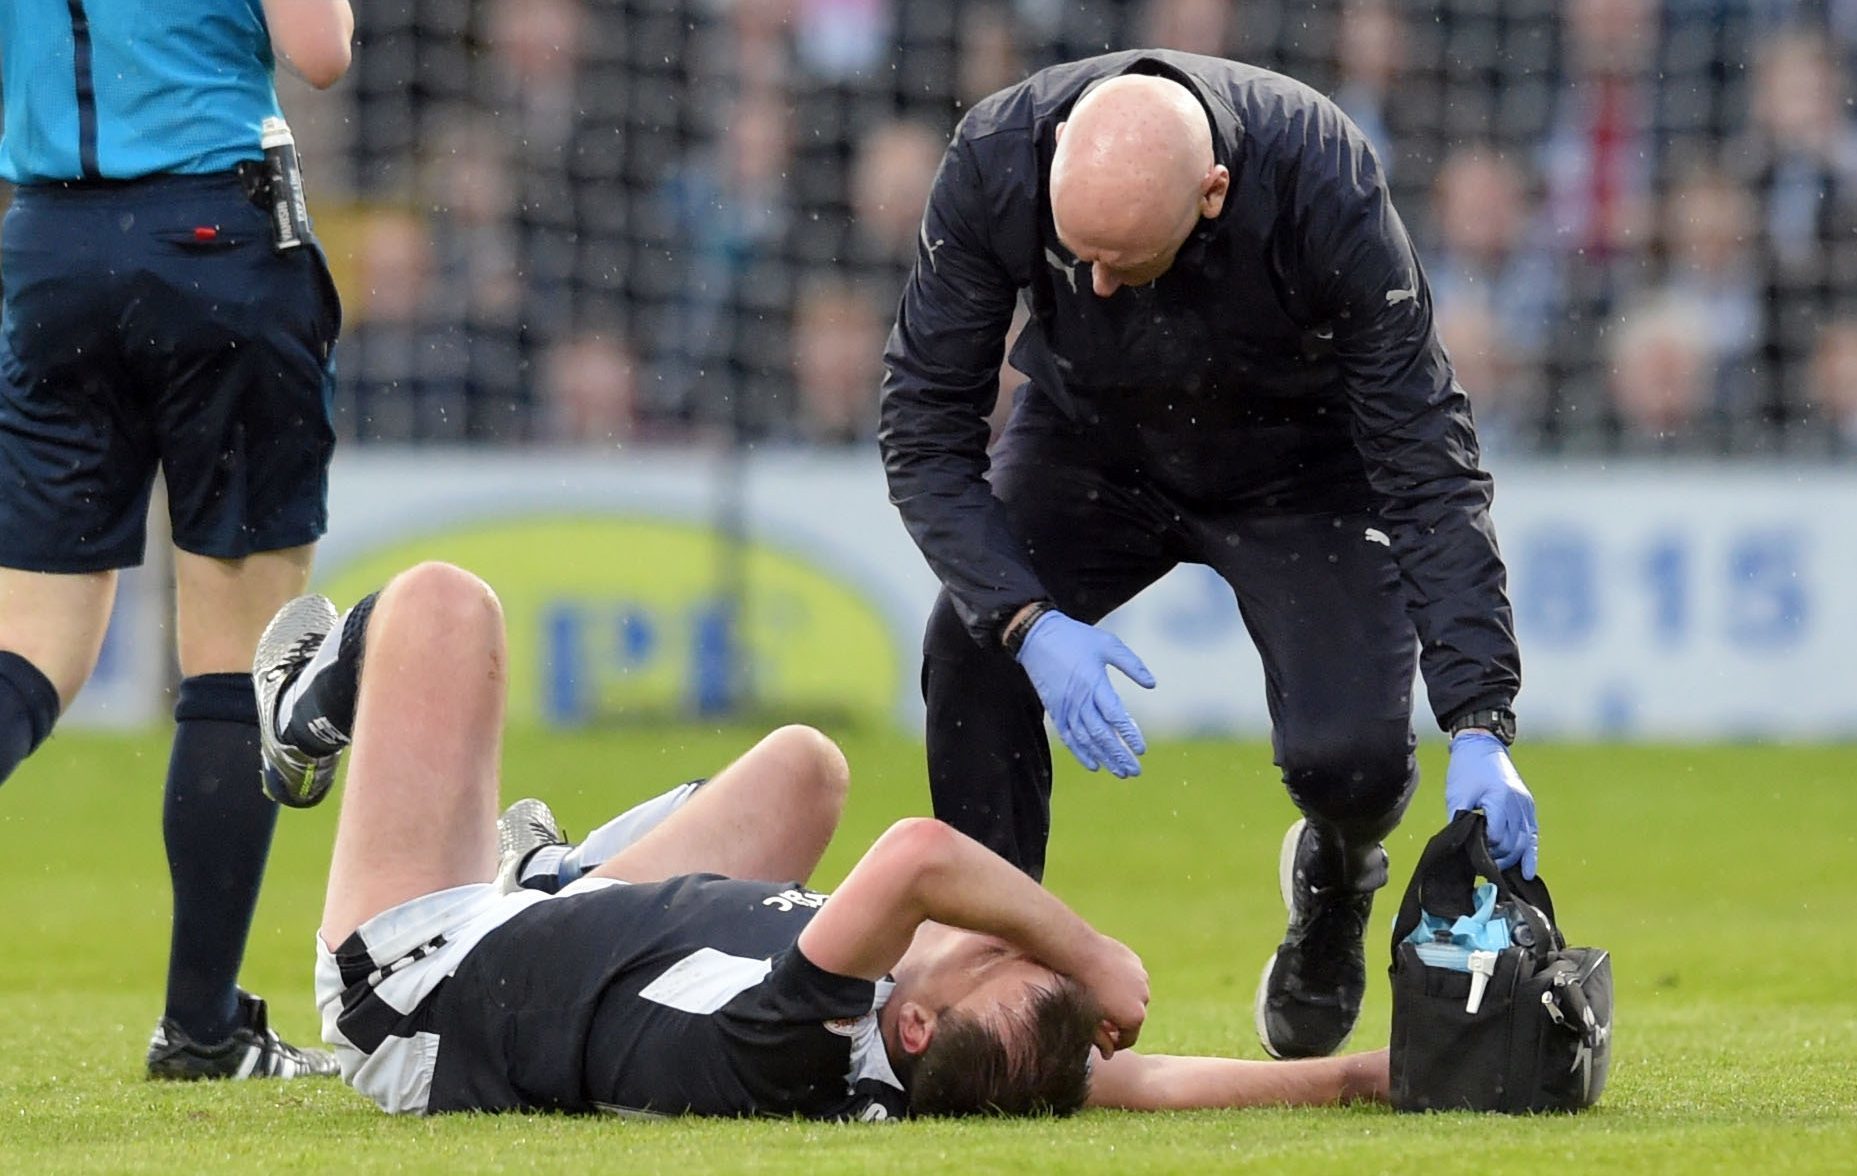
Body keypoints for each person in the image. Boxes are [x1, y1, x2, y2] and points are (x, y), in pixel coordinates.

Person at [878, 49, 1537, 1063]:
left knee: (1349, 763)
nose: (1093, 283)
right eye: (1075, 256)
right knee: (971, 653)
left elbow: (1425, 460)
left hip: (1304, 471)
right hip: (1087, 444)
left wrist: (1482, 718)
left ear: (1214, 192)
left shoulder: (1325, 179)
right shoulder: (997, 157)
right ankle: (993, 960)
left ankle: (1336, 876)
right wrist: (1027, 619)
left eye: (1120, 260)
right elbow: (923, 429)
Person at [252, 561, 1391, 1117]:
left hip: (416, 986)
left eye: (996, 954)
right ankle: (556, 873)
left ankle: (305, 710)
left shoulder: (794, 1035)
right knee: (806, 768)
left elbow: (917, 855)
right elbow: (1131, 1082)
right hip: (557, 949)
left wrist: (1089, 953)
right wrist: (1352, 1077)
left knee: (447, 605)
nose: (994, 932)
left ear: (906, 1019)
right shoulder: (939, 1061)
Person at [0, 0, 352, 1078]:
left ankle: (207, 1027)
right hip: (214, 236)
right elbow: (321, 54)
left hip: (51, 248)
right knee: (242, 663)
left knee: (35, 648)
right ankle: (202, 1030)